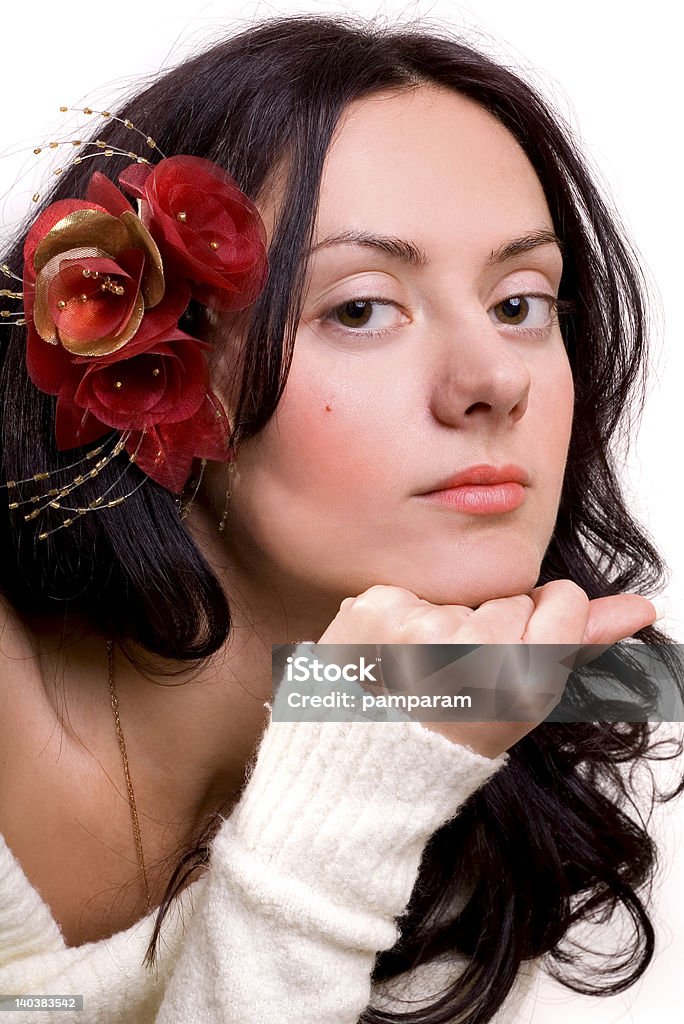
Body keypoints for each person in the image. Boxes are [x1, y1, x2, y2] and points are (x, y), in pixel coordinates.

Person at [0, 13, 680, 1024]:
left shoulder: (474, 713)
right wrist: (335, 836)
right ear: (148, 375)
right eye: (360, 309)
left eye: (521, 302)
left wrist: (365, 763)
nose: (494, 380)